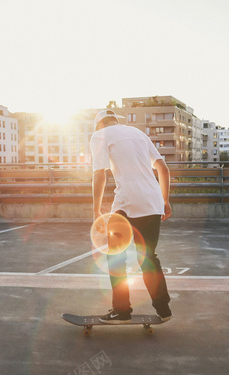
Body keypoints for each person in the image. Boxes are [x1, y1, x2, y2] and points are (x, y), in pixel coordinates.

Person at [90, 109, 172, 324]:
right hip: (153, 201)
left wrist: (96, 211)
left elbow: (100, 174)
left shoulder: (100, 135)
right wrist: (165, 200)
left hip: (127, 201)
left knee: (116, 256)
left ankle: (122, 310)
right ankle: (163, 309)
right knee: (148, 258)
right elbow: (162, 168)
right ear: (116, 121)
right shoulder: (138, 133)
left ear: (99, 124)